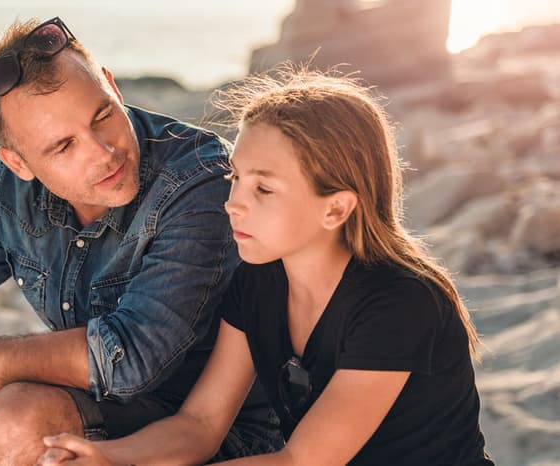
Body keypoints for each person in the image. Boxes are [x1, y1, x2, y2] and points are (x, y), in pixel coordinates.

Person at [0, 16, 281, 466]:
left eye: (103, 115)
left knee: (23, 415)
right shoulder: (10, 189)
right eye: (64, 147)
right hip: (88, 410)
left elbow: (127, 357)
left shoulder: (199, 183)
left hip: (210, 434)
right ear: (18, 162)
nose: (103, 152)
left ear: (112, 87)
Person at [38, 69, 495, 465]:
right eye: (235, 177)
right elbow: (200, 423)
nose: (233, 204)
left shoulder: (400, 304)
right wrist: (109, 457)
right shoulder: (259, 281)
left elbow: (302, 460)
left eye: (264, 189)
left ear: (335, 209)